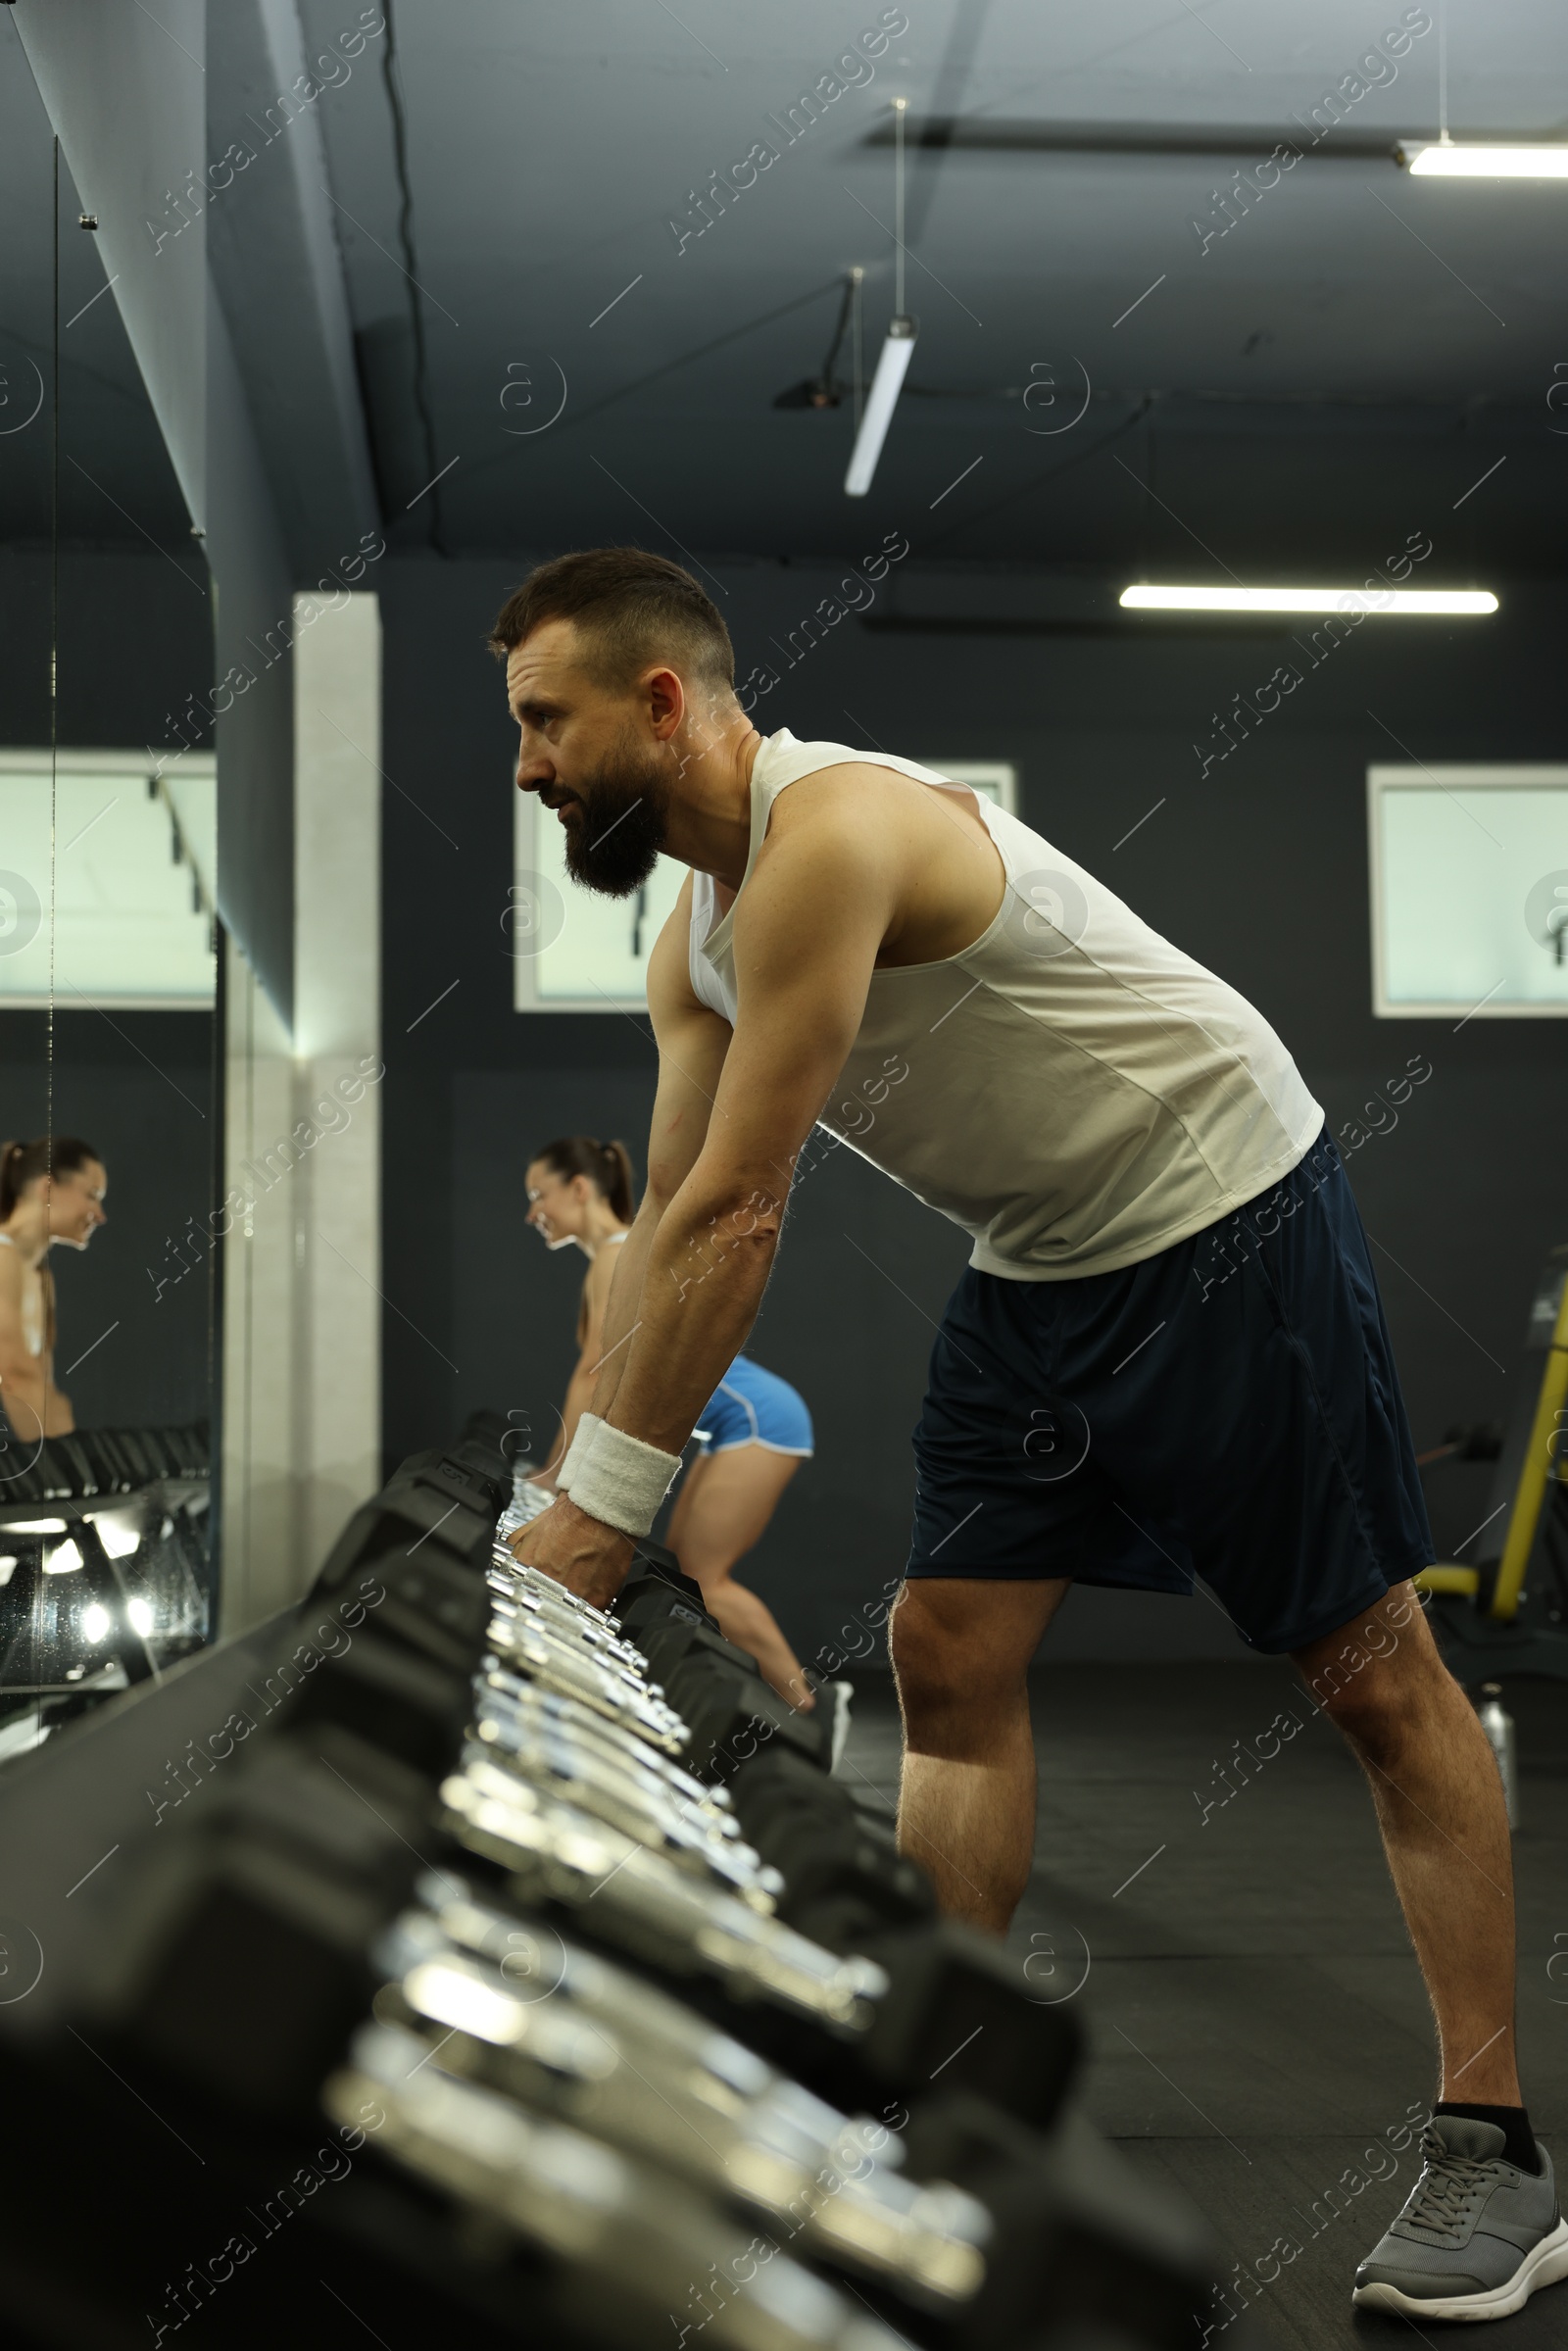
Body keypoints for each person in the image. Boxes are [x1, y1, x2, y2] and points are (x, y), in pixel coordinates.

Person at [492, 546, 1562, 2325]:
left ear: (660, 701)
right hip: (1041, 1269)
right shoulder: (690, 939)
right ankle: (941, 2084)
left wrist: (606, 1528)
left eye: (544, 721)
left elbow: (749, 1208)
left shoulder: (833, 830)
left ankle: (1494, 2144)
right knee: (946, 1644)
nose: (524, 767)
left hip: (1228, 1209)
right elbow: (663, 1224)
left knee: (1372, 1671)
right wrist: (568, 1497)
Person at [522, 1132, 822, 1710]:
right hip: (736, 1425)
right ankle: (793, 1711)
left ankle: (808, 1714)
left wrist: (556, 1474)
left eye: (539, 1193)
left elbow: (592, 1377)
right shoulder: (609, 1256)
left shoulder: (614, 1256)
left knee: (706, 1578)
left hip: (762, 1419)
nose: (531, 1211)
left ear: (579, 1188)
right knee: (684, 1573)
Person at [0, 1136, 109, 1456]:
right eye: (93, 1195)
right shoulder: (2, 1260)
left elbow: (43, 1389)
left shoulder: (42, 1279)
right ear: (47, 1188)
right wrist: (71, 1476)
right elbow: (16, 1378)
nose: (100, 1215)